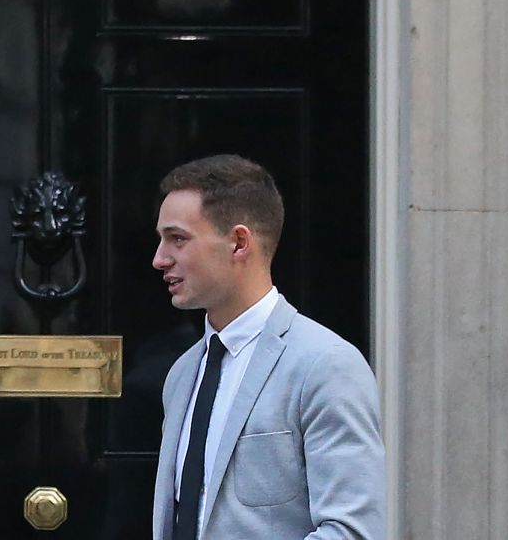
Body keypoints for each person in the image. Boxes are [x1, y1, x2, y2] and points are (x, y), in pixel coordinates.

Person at [150, 154, 384, 540]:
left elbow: (353, 532)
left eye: (178, 239)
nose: (159, 258)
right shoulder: (182, 374)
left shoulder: (325, 365)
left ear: (239, 242)